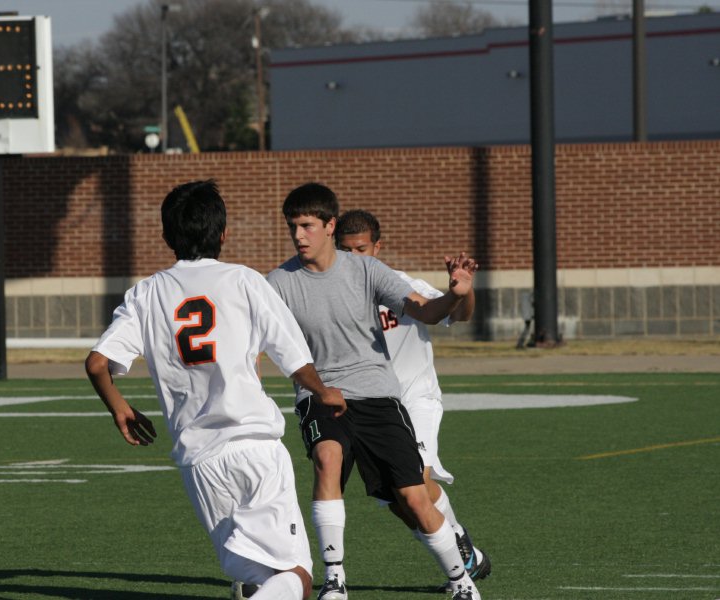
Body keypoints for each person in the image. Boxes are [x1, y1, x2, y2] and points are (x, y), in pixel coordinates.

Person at [85, 180, 346, 600]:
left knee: (259, 576)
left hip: (200, 462)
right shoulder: (243, 281)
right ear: (223, 234)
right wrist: (323, 391)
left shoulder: (147, 293)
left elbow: (97, 364)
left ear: (167, 236)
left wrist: (119, 408)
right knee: (296, 578)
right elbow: (293, 355)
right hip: (255, 447)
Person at [266, 183, 482, 600]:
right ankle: (335, 581)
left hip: (381, 396)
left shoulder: (367, 271)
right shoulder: (278, 281)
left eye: (307, 225)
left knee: (412, 497)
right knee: (328, 458)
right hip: (320, 394)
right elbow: (255, 336)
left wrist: (457, 294)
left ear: (329, 225)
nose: (298, 235)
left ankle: (462, 580)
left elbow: (425, 310)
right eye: (293, 226)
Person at [335, 209, 491, 593]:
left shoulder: (404, 285)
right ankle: (462, 548)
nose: (355, 258)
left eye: (362, 249)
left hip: (415, 399)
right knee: (398, 501)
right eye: (345, 250)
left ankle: (459, 550)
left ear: (378, 246)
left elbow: (459, 315)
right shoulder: (333, 293)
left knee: (415, 479)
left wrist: (462, 290)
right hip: (370, 407)